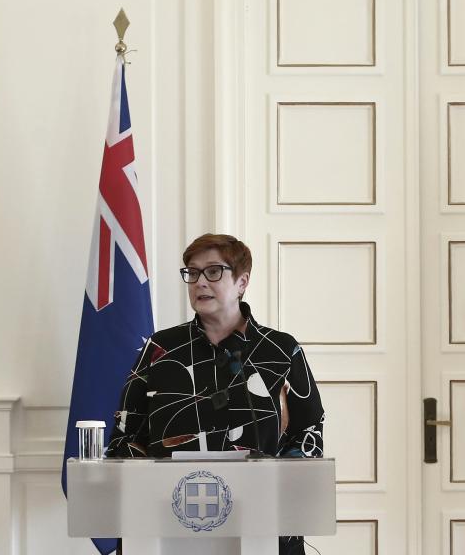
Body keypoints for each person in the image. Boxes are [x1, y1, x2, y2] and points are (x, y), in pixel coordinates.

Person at [106, 234, 324, 555]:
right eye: (192, 273)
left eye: (213, 271)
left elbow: (308, 433)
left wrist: (275, 486)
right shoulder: (160, 349)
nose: (199, 282)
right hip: (168, 526)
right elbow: (126, 434)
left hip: (262, 525)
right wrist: (150, 487)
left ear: (242, 282)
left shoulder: (280, 350)